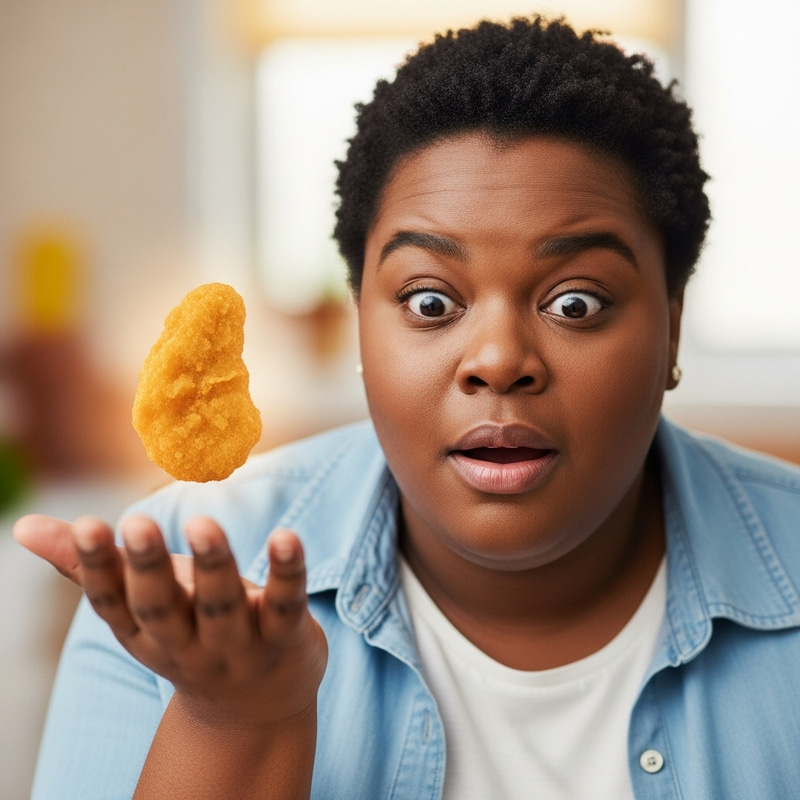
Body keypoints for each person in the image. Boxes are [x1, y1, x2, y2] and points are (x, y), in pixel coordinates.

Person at [14, 14, 800, 800]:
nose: (498, 360)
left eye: (576, 303)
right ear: (360, 319)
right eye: (429, 301)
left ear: (672, 327)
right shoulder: (177, 580)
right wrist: (233, 720)